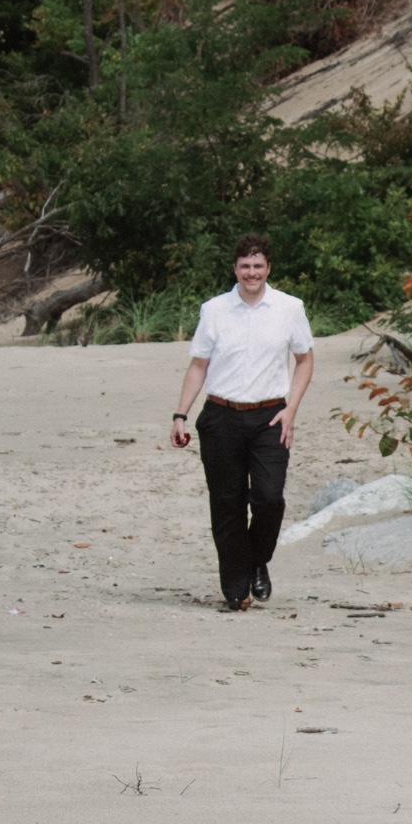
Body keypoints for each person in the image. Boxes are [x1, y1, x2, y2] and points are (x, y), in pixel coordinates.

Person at [169, 234, 314, 611]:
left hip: (271, 416)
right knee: (227, 503)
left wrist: (292, 409)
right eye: (245, 266)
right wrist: (181, 414)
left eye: (259, 266)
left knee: (269, 499)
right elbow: (198, 365)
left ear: (268, 268)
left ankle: (257, 559)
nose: (252, 273)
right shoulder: (214, 310)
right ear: (235, 269)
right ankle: (236, 584)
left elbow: (305, 360)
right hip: (220, 417)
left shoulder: (289, 308)